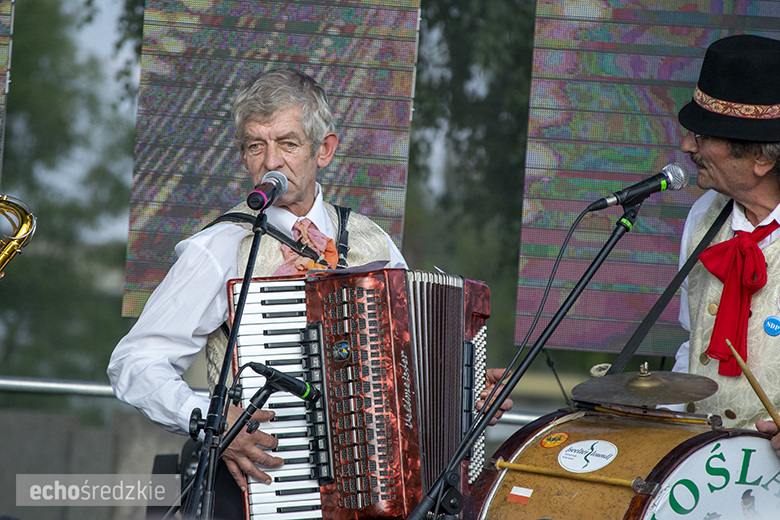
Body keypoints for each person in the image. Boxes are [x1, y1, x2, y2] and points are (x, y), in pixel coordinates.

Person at [108, 68, 512, 516]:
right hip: (264, 486)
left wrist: (466, 394)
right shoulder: (220, 247)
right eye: (256, 145)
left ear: (325, 150)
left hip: (373, 493)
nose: (271, 161)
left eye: (288, 143)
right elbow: (135, 362)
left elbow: (407, 366)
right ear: (243, 156)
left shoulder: (370, 239)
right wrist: (210, 422)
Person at [671, 35, 780, 453]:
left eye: (702, 136)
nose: (686, 147)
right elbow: (693, 340)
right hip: (702, 473)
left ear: (761, 159)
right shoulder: (702, 217)